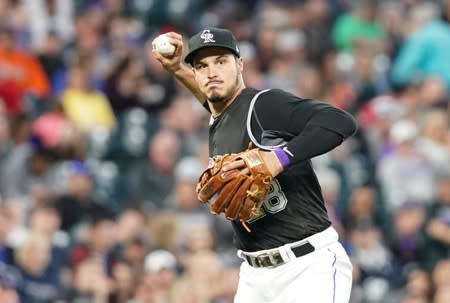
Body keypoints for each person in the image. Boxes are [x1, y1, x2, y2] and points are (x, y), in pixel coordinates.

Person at [152, 28, 357, 303]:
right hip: (254, 278)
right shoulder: (221, 117)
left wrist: (278, 158)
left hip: (306, 267)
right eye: (202, 66)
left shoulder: (264, 105)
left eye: (221, 61)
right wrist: (178, 69)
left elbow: (340, 122)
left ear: (240, 64)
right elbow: (213, 102)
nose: (212, 72)